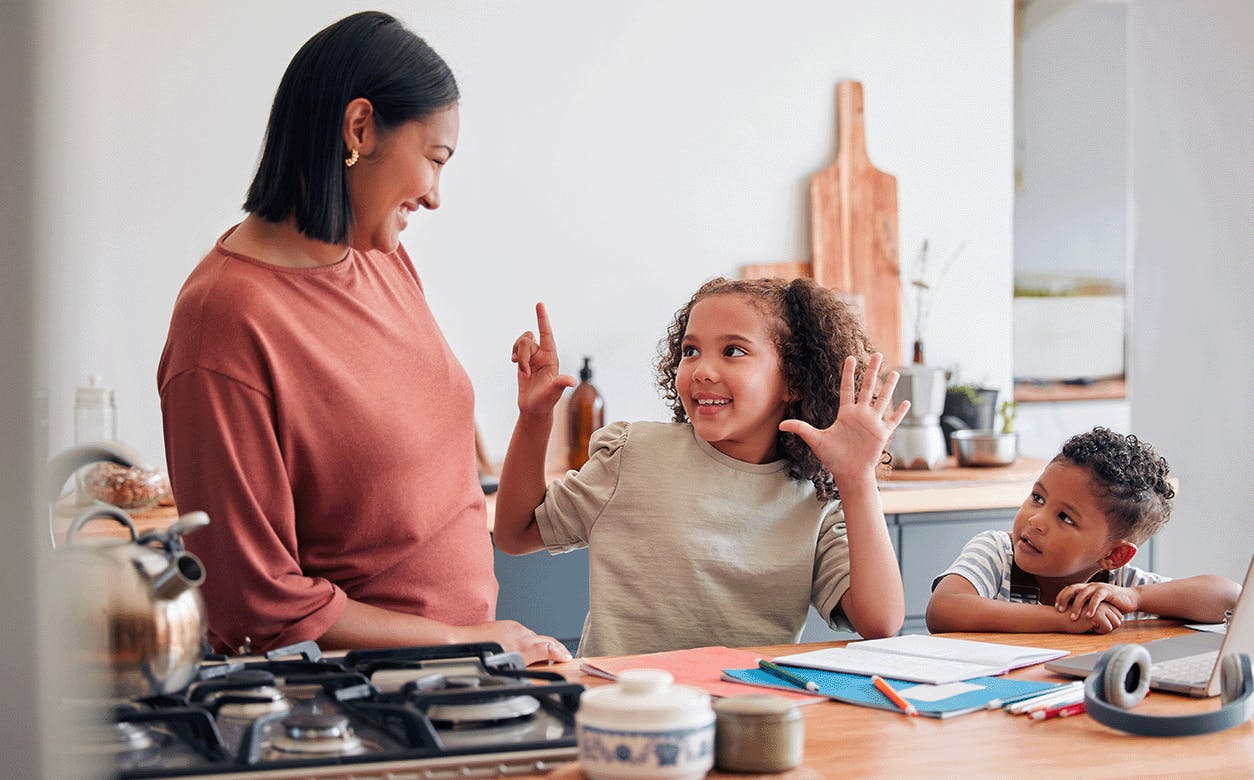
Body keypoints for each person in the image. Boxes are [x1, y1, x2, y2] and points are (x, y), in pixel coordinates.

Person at [157, 11, 569, 664]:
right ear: (359, 129)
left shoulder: (380, 258)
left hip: (464, 676)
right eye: (433, 159)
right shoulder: (224, 321)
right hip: (352, 706)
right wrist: (464, 642)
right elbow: (254, 604)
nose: (434, 197)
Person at [492, 277, 910, 656]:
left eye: (733, 351)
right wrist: (535, 418)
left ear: (794, 380)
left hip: (745, 716)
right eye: (691, 351)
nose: (702, 370)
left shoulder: (814, 501)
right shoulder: (633, 455)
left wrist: (857, 480)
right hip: (623, 710)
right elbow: (516, 534)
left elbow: (879, 622)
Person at [927, 427, 1241, 633]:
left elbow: (1231, 598)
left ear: (1114, 554)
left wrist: (1135, 597)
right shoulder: (996, 551)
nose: (1036, 519)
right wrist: (1063, 620)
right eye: (1038, 498)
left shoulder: (1117, 586)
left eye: (1065, 518)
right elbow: (944, 610)